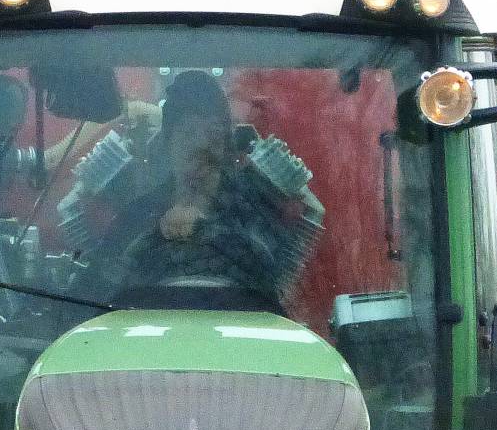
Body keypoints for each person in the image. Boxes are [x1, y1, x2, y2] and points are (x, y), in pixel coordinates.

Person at [58, 70, 322, 310]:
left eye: (212, 134)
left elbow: (281, 291)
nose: (200, 148)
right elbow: (99, 295)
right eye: (188, 134)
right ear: (166, 143)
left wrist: (202, 227)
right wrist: (154, 234)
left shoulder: (254, 209)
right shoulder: (139, 215)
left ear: (226, 144)